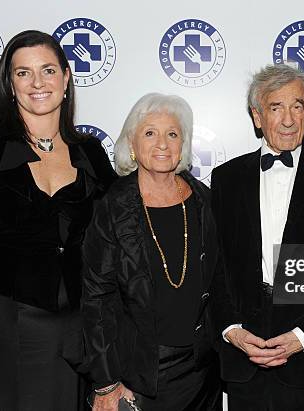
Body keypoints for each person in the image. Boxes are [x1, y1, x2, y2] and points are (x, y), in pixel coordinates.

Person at [0, 30, 116, 410]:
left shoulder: (91, 153)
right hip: (0, 329)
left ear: (66, 79)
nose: (38, 83)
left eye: (48, 70)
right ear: (9, 84)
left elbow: (121, 234)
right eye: (23, 73)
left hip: (74, 336)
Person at [210, 64, 304, 410]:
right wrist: (232, 330)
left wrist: (301, 337)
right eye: (276, 107)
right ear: (257, 116)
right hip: (244, 351)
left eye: (298, 106)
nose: (289, 119)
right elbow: (216, 268)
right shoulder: (227, 178)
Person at [80, 93, 223, 410]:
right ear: (131, 143)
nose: (162, 143)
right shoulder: (111, 207)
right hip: (139, 373)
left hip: (202, 370)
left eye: (172, 134)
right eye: (150, 133)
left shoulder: (205, 201)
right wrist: (106, 384)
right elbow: (96, 299)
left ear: (183, 144)